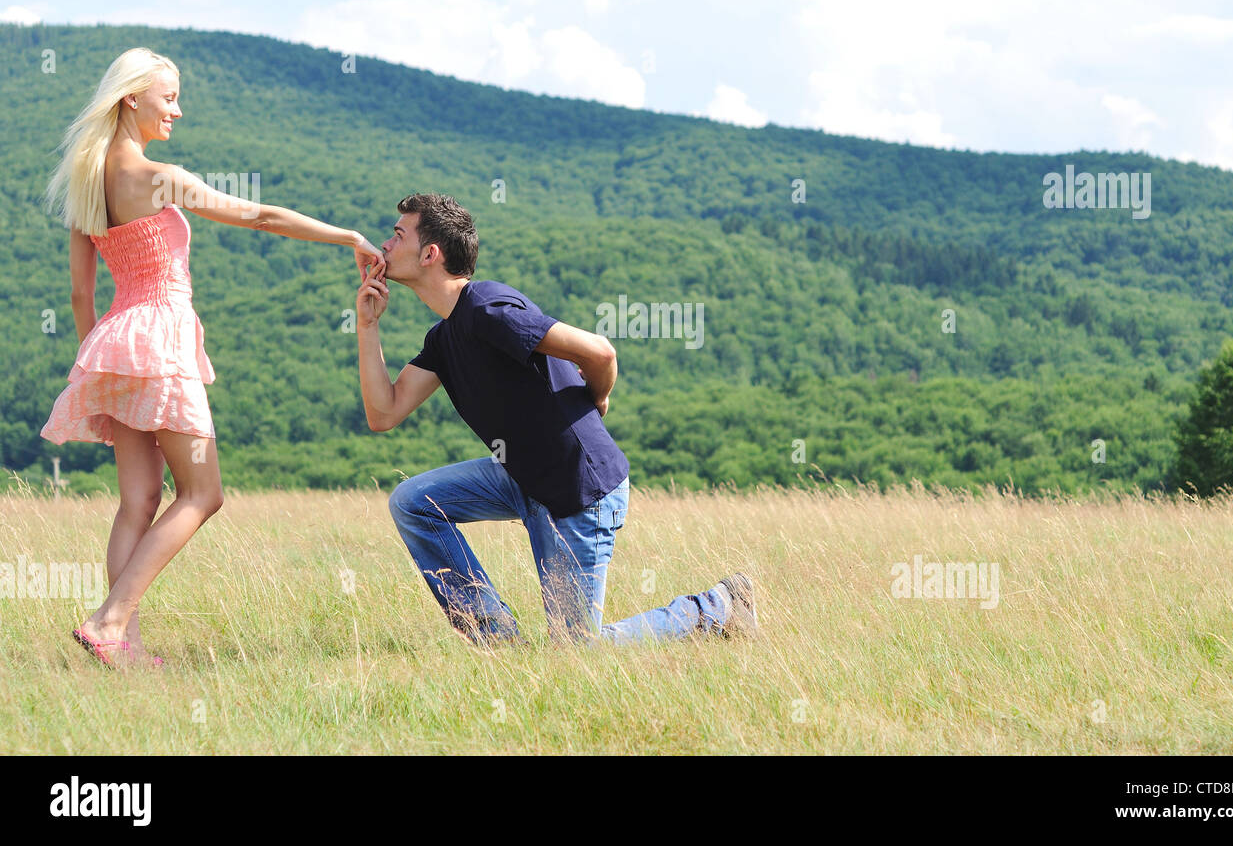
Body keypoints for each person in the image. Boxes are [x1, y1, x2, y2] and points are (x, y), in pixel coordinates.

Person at [41, 47, 382, 668]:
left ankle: (122, 648)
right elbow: (260, 216)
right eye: (168, 97)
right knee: (203, 493)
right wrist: (348, 236)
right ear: (131, 99)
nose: (177, 109)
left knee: (137, 502)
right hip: (162, 342)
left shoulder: (87, 185)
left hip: (114, 343)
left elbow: (79, 295)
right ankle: (109, 620)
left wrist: (98, 366)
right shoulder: (159, 177)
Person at [355, 192, 757, 646]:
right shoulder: (444, 338)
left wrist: (597, 398)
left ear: (431, 254)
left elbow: (601, 351)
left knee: (576, 650)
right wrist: (367, 325)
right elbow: (383, 413)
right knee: (413, 502)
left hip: (576, 491)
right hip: (523, 478)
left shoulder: (487, 307)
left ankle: (717, 607)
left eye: (397, 234)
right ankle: (501, 640)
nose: (385, 246)